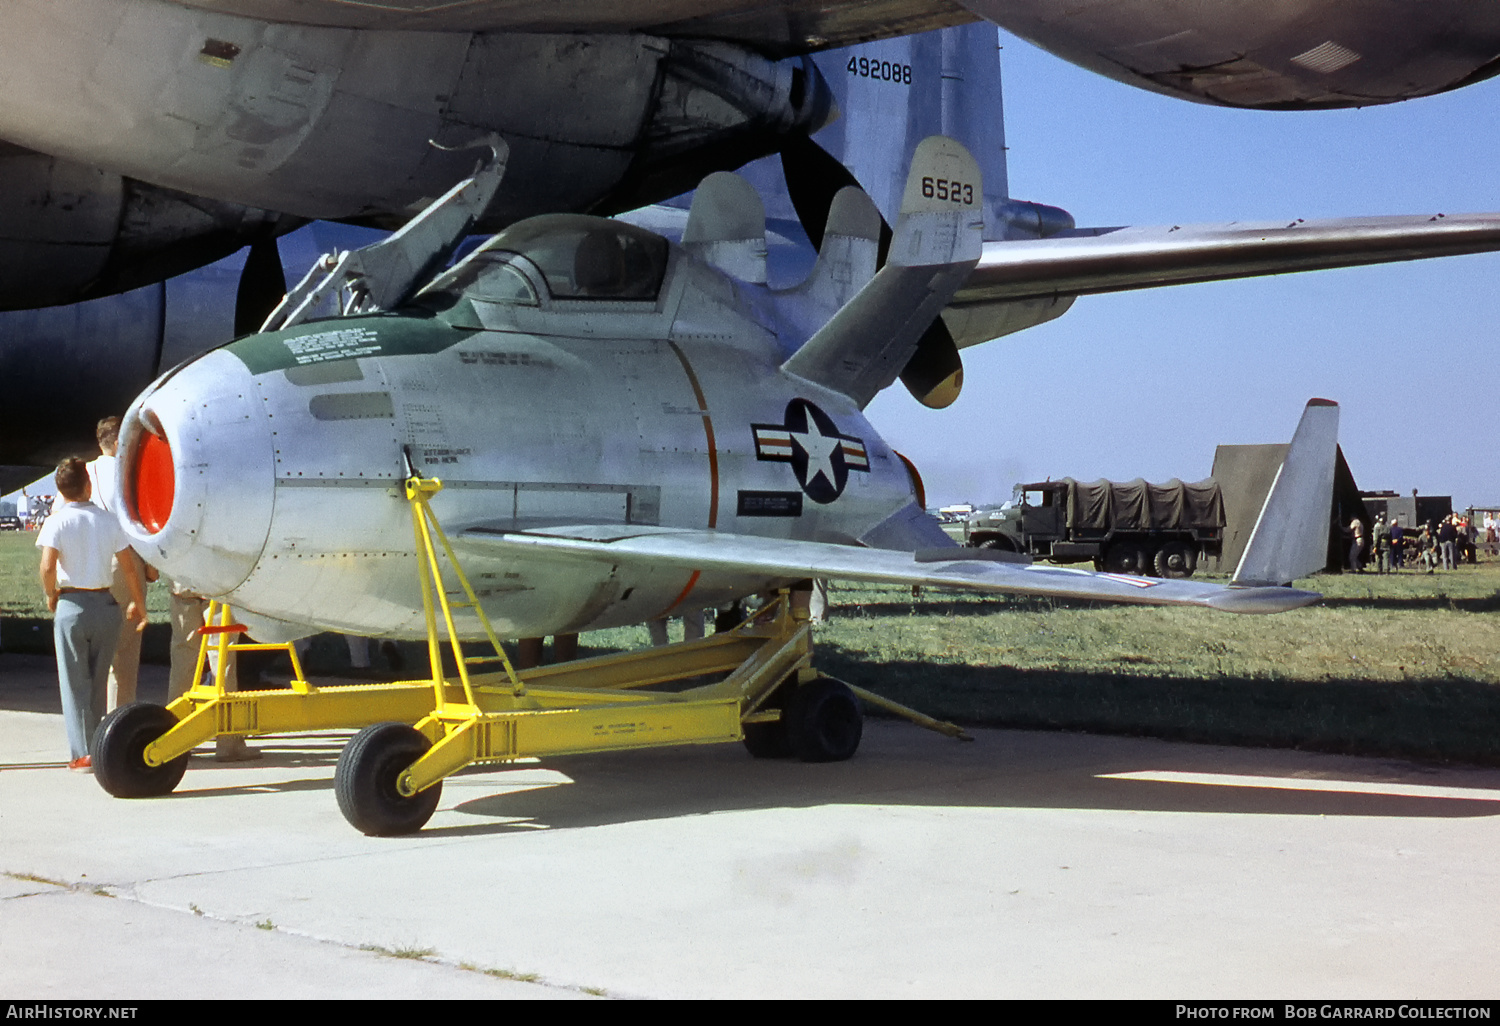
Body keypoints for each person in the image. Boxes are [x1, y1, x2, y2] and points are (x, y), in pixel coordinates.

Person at [35, 457, 146, 770]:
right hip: (106, 604)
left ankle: (82, 752)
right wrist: (138, 602)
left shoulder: (56, 521)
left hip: (72, 603)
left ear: (61, 490)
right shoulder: (108, 521)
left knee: (74, 684)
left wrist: (51, 593)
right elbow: (127, 566)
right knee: (99, 681)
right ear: (88, 486)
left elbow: (47, 566)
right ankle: (98, 745)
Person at [86, 416, 153, 711]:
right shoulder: (128, 472)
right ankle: (118, 719)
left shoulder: (84, 471)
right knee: (123, 652)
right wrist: (150, 567)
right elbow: (139, 523)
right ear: (118, 442)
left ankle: (90, 723)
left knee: (93, 650)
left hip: (87, 564)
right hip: (122, 561)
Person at [167, 581, 259, 761]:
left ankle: (174, 739)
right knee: (222, 659)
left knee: (183, 661)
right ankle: (228, 740)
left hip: (182, 583)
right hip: (217, 585)